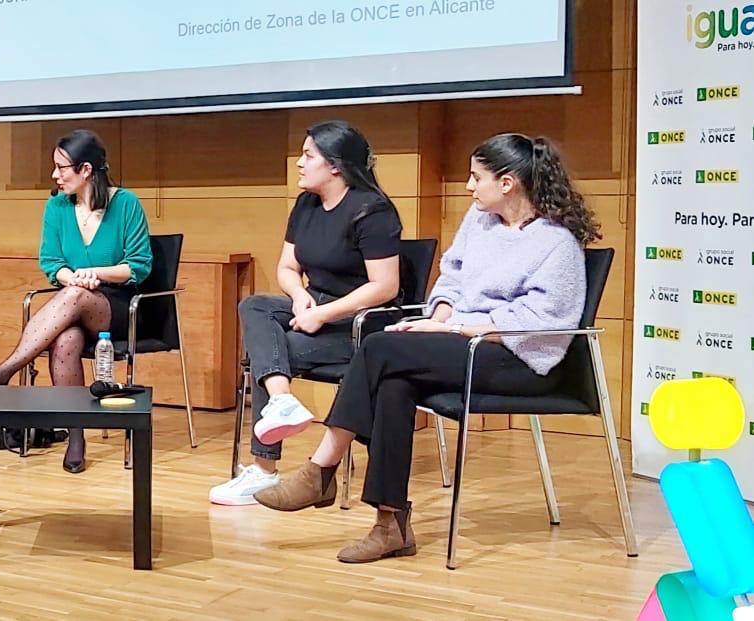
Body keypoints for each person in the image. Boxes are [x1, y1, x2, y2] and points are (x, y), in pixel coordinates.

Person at [252, 133, 601, 564]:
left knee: (380, 348)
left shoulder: (556, 243)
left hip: (520, 358)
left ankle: (321, 469)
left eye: (476, 178)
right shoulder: (480, 221)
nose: (469, 187)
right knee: (395, 381)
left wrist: (453, 329)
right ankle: (390, 525)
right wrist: (439, 318)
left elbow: (541, 323)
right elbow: (451, 277)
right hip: (463, 341)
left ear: (507, 183)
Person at [209, 121, 402, 506]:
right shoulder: (306, 204)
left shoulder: (372, 211)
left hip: (359, 324)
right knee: (254, 305)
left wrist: (324, 313)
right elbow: (287, 266)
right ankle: (282, 402)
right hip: (312, 305)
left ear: (336, 166)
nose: (299, 163)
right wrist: (299, 296)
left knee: (272, 353)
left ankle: (264, 469)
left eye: (308, 156)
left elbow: (385, 286)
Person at [0, 129, 153, 473]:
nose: (54, 175)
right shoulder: (56, 206)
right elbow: (51, 263)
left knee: (74, 295)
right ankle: (76, 436)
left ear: (86, 169)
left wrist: (94, 273)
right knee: (65, 339)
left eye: (61, 168)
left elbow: (138, 266)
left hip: (119, 306)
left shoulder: (126, 204)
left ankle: (3, 372)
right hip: (74, 303)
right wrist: (73, 278)